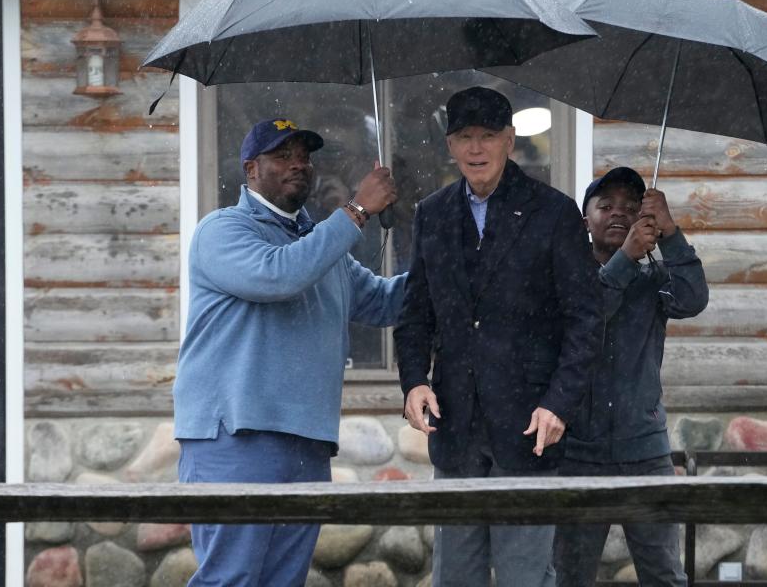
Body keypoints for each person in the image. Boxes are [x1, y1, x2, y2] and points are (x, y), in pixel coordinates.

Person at [174, 117, 405, 587]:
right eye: (282, 156)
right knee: (231, 579)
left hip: (306, 439)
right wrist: (358, 209)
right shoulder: (222, 230)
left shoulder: (321, 244)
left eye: (304, 157)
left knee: (283, 581)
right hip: (236, 437)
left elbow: (383, 302)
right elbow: (276, 277)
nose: (298, 165)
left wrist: (459, 262)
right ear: (250, 169)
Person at [395, 86, 603, 587]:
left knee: (524, 576)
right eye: (464, 136)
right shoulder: (433, 214)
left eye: (488, 136)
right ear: (449, 145)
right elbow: (415, 312)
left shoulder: (553, 212)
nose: (476, 148)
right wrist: (413, 382)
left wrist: (559, 403)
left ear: (510, 140)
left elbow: (586, 319)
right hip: (456, 421)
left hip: (529, 424)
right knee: (455, 575)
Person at [553, 167, 709, 587]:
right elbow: (587, 317)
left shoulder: (653, 277)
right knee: (570, 574)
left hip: (644, 448)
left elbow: (693, 299)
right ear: (585, 220)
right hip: (576, 453)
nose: (618, 214)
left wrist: (672, 233)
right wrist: (625, 258)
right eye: (605, 206)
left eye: (630, 207)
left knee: (663, 573)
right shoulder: (566, 273)